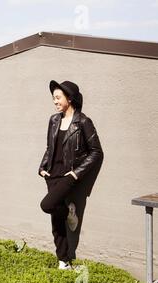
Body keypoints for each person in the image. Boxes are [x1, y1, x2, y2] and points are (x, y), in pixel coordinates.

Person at [39, 80, 103, 270]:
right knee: (56, 219)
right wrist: (42, 167)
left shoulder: (83, 121)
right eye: (53, 98)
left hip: (69, 175)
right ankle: (63, 260)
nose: (55, 101)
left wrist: (75, 174)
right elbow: (50, 147)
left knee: (47, 205)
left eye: (58, 97)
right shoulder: (53, 120)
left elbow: (97, 152)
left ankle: (69, 212)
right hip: (51, 174)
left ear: (70, 98)